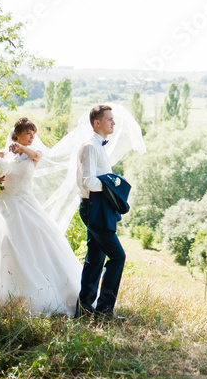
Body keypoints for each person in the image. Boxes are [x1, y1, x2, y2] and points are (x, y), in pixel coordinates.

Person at [0, 117, 82, 316]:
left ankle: (40, 293)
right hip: (4, 206)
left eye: (33, 134)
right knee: (2, 249)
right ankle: (2, 294)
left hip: (26, 205)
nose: (32, 137)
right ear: (17, 134)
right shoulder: (1, 156)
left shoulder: (32, 155)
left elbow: (36, 155)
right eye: (28, 133)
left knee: (33, 247)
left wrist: (21, 148)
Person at [75, 104, 129, 319]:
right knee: (118, 256)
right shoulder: (89, 146)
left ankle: (85, 310)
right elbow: (88, 182)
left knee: (95, 260)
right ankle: (104, 310)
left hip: (98, 207)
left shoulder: (99, 146)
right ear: (97, 123)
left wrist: (110, 181)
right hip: (93, 208)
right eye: (109, 119)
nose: (113, 122)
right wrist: (111, 184)